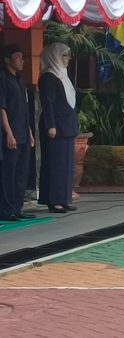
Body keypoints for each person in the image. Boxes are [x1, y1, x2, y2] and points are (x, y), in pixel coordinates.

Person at [37, 43, 78, 213]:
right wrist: (51, 125)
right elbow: (48, 103)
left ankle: (64, 197)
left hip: (67, 126)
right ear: (55, 57)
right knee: (55, 164)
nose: (68, 59)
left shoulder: (63, 76)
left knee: (66, 164)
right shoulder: (48, 77)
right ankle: (53, 200)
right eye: (64, 56)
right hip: (55, 127)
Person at [0, 45, 36, 221]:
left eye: (22, 57)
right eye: (17, 57)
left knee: (22, 173)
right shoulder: (3, 79)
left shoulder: (20, 80)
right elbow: (2, 108)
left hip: (23, 133)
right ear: (7, 60)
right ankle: (6, 210)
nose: (21, 61)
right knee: (9, 173)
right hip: (11, 134)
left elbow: (25, 109)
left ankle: (17, 207)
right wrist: (9, 133)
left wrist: (29, 132)